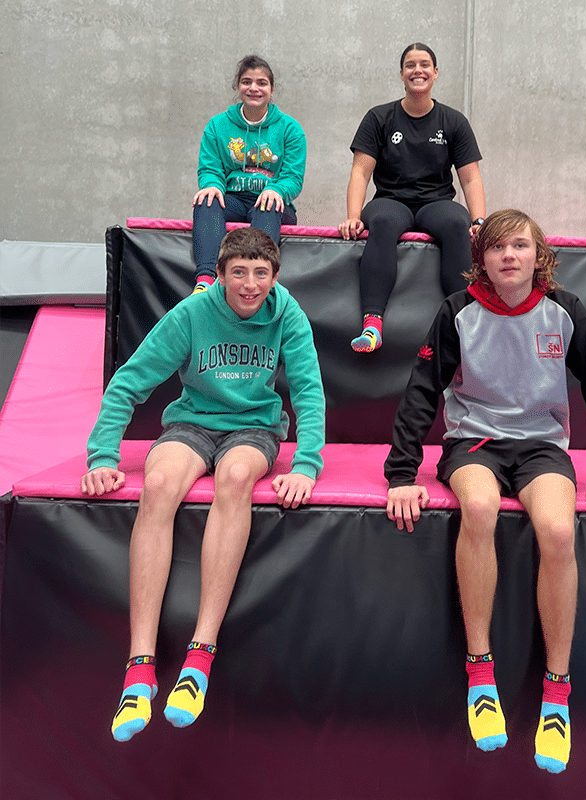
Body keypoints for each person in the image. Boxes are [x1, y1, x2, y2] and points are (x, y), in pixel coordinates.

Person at [384, 209, 586, 773]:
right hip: (474, 442)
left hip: (542, 447)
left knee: (555, 527)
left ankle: (557, 692)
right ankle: (480, 672)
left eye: (519, 245)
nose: (509, 256)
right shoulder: (457, 312)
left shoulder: (565, 312)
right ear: (483, 260)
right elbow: (421, 392)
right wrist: (402, 473)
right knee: (479, 506)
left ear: (537, 254)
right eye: (497, 248)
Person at [81, 227, 325, 742]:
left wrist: (306, 464)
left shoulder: (288, 315)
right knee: (160, 482)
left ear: (275, 277)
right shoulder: (192, 313)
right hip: (192, 422)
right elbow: (129, 381)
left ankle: (201, 653)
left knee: (235, 478)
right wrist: (102, 455)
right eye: (239, 272)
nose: (250, 284)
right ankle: (139, 664)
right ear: (220, 274)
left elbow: (307, 389)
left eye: (261, 274)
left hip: (254, 428)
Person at [338, 43, 486, 353]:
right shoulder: (379, 117)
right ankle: (373, 323)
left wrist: (479, 220)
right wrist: (353, 215)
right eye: (410, 65)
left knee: (457, 222)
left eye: (424, 64)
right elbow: (360, 173)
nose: (417, 70)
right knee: (382, 220)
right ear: (402, 74)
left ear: (435, 72)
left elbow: (470, 177)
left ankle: (465, 324)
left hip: (436, 202)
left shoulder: (454, 121)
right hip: (391, 199)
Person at [191, 55, 306, 293]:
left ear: (271, 89)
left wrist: (277, 189)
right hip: (233, 198)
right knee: (206, 201)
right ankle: (206, 280)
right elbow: (210, 168)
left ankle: (259, 280)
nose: (254, 88)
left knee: (268, 205)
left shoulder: (290, 129)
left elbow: (293, 177)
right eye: (247, 81)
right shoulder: (218, 125)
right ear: (238, 86)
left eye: (262, 83)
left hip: (272, 201)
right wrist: (211, 184)